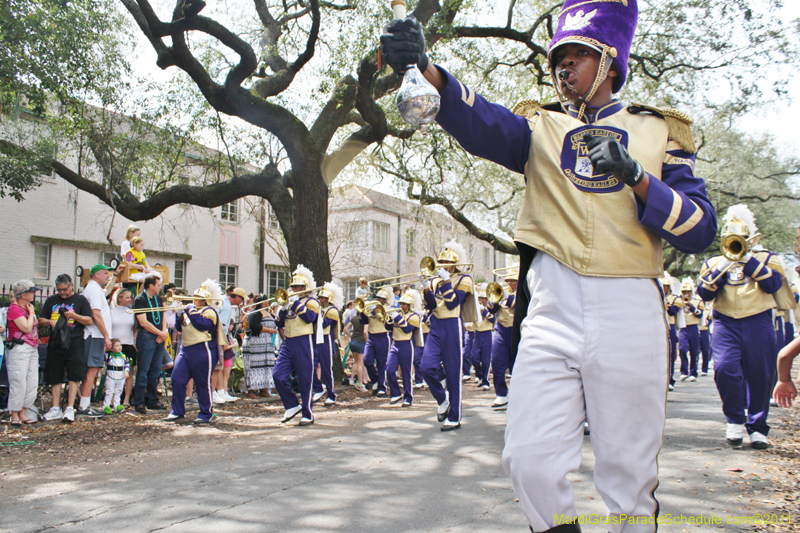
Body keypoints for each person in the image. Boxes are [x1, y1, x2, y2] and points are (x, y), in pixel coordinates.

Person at [381, 0, 716, 527]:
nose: (564, 66)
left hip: (629, 304)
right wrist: (426, 68)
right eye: (558, 57)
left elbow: (700, 230)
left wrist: (638, 178)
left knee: (628, 479)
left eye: (578, 55)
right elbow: (482, 120)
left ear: (611, 62)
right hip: (551, 307)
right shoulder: (539, 126)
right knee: (528, 461)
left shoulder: (659, 132)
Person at [698, 205, 785, 450]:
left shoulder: (766, 258)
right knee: (724, 369)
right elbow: (704, 293)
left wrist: (748, 261)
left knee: (760, 373)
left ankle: (757, 426)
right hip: (725, 321)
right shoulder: (713, 262)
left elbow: (773, 285)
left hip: (758, 319)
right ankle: (735, 419)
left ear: (749, 239)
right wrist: (722, 267)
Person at [418, 241, 477, 431]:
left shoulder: (464, 279)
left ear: (455, 264)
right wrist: (426, 287)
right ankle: (442, 400)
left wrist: (445, 281)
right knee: (426, 367)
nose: (442, 264)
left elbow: (452, 302)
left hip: (452, 325)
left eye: (446, 262)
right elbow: (431, 306)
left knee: (453, 373)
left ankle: (454, 416)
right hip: (436, 325)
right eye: (441, 261)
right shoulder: (436, 280)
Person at [165, 280, 227, 424]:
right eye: (194, 296)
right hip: (186, 349)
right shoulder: (190, 311)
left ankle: (206, 413)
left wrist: (190, 310)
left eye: (198, 297)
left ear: (205, 300)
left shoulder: (209, 311)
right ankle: (177, 410)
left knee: (202, 383)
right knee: (177, 379)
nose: (194, 299)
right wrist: (179, 315)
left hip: (203, 349)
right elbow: (179, 329)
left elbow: (201, 324)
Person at [39, 274, 93, 423]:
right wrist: (50, 322)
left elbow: (89, 320)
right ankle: (55, 408)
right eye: (59, 290)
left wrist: (74, 316)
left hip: (74, 341)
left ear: (71, 286)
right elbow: (40, 320)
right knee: (54, 374)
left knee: (74, 374)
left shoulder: (80, 300)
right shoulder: (52, 300)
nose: (62, 293)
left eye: (64, 289)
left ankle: (70, 407)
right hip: (56, 341)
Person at [274, 266, 319, 426]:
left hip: (303, 341)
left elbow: (310, 318)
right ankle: (292, 405)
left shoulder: (311, 301)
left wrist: (295, 305)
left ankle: (307, 413)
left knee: (305, 379)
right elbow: (278, 324)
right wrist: (282, 309)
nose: (294, 289)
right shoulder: (289, 302)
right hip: (288, 342)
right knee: (278, 375)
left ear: (304, 287)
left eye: (298, 287)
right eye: (292, 286)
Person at [80, 264, 116, 419]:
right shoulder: (93, 289)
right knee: (92, 371)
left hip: (97, 335)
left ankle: (85, 403)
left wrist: (116, 276)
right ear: (96, 274)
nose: (108, 276)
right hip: (95, 335)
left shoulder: (96, 289)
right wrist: (106, 336)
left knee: (94, 371)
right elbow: (96, 314)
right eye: (105, 273)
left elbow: (108, 290)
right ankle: (84, 406)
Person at [6, 280, 42, 426]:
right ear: (23, 294)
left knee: (32, 381)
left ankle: (23, 412)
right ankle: (14, 414)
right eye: (32, 291)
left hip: (32, 347)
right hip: (19, 348)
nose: (34, 294)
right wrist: (32, 312)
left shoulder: (27, 308)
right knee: (18, 380)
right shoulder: (14, 309)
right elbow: (26, 328)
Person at [132, 274, 169, 414]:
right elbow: (143, 322)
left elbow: (163, 315)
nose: (160, 287)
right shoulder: (140, 299)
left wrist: (163, 332)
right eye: (158, 285)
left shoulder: (157, 298)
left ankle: (153, 400)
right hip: (146, 336)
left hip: (158, 336)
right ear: (151, 286)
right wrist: (160, 333)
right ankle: (139, 402)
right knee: (143, 370)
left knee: (155, 370)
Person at [385, 290, 423, 406]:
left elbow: (407, 329)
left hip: (406, 344)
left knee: (406, 373)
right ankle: (396, 393)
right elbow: (388, 328)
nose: (401, 306)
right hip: (395, 344)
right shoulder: (398, 313)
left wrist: (396, 317)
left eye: (404, 304)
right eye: (400, 304)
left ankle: (408, 397)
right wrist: (388, 317)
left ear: (410, 305)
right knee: (389, 369)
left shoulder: (414, 316)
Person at [489, 270, 518, 410]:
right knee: (497, 361)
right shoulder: (504, 291)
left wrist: (508, 297)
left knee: (517, 364)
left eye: (512, 280)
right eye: (507, 281)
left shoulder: (523, 291)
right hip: (501, 329)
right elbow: (491, 310)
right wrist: (494, 299)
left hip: (517, 330)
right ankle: (501, 394)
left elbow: (521, 306)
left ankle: (520, 395)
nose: (509, 283)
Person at [241, 294, 278, 398]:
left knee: (265, 366)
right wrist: (269, 330)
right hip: (254, 344)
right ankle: (251, 390)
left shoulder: (268, 312)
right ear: (262, 302)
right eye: (266, 301)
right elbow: (254, 326)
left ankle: (263, 389)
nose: (268, 302)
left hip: (266, 345)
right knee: (253, 366)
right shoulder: (254, 313)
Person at [313, 282, 343, 406]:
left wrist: (316, 313)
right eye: (319, 298)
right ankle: (318, 388)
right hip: (315, 338)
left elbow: (324, 324)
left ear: (328, 299)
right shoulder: (319, 308)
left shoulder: (332, 310)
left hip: (326, 339)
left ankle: (331, 394)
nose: (320, 300)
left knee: (326, 368)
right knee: (310, 366)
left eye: (322, 298)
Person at [360, 287, 392, 396]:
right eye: (378, 297)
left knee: (381, 363)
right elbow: (364, 321)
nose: (379, 299)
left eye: (381, 298)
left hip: (383, 336)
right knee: (367, 360)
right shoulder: (371, 306)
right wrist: (361, 311)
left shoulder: (388, 308)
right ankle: (375, 380)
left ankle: (382, 387)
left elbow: (387, 321)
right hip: (371, 336)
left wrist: (376, 310)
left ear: (385, 300)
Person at [110, 289, 138, 407]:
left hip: (128, 344)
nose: (129, 300)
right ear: (119, 298)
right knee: (113, 373)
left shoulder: (131, 312)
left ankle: (126, 399)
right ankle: (113, 398)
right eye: (127, 297)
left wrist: (134, 340)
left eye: (131, 297)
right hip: (114, 345)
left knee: (128, 373)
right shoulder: (111, 312)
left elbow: (135, 328)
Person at [661, 274, 683, 391]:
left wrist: (666, 304)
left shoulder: (675, 299)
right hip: (658, 326)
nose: (663, 289)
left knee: (670, 354)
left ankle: (670, 379)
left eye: (665, 286)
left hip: (670, 327)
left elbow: (673, 312)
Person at [677, 278, 703, 382]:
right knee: (682, 349)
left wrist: (691, 307)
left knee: (694, 351)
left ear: (691, 292)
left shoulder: (697, 301)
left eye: (688, 292)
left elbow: (700, 314)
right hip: (683, 327)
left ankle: (693, 372)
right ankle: (684, 372)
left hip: (693, 327)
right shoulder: (679, 301)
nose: (686, 294)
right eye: (684, 292)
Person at [472, 288, 495, 391]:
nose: (482, 300)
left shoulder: (491, 307)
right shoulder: (476, 308)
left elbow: (493, 319)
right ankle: (480, 375)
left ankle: (485, 381)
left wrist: (484, 311)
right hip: (477, 333)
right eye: (480, 298)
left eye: (483, 298)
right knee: (474, 357)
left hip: (487, 333)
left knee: (486, 360)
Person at [342, 302, 368, 392]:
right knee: (361, 363)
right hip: (361, 341)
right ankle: (360, 383)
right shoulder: (365, 319)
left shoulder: (354, 318)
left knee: (355, 361)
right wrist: (367, 341)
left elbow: (345, 328)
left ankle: (352, 379)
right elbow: (365, 332)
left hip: (353, 341)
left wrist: (350, 336)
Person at [102, 339, 130, 414]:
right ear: (112, 348)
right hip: (111, 376)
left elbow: (127, 364)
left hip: (121, 377)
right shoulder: (109, 356)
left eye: (120, 345)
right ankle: (106, 405)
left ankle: (117, 405)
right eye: (116, 346)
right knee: (109, 391)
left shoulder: (124, 357)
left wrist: (126, 371)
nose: (119, 347)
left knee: (118, 391)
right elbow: (103, 358)